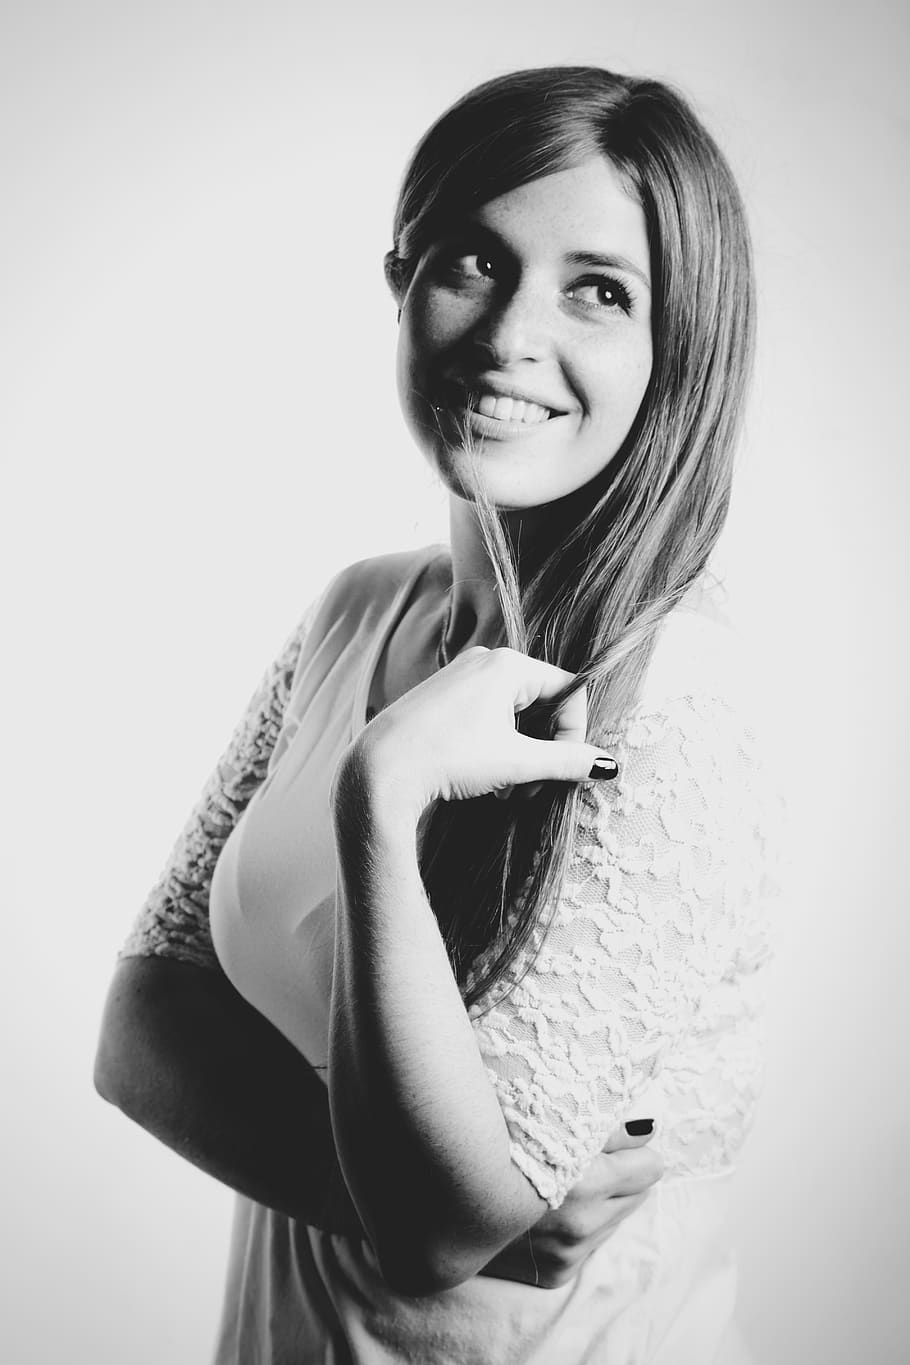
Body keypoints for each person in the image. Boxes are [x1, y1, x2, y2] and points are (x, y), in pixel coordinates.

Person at [95, 65, 780, 1363]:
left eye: (597, 288)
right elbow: (137, 1032)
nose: (512, 332)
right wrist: (416, 1206)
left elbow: (427, 1235)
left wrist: (380, 798)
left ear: (677, 339)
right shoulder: (354, 611)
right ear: (401, 285)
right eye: (471, 261)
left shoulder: (673, 691)